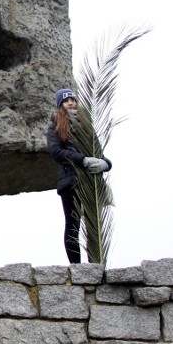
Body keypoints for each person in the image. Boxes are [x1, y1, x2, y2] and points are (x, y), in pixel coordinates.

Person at [46, 88, 111, 264]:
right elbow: (57, 152)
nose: (70, 103)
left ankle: (96, 265)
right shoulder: (55, 127)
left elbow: (98, 152)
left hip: (90, 181)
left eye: (73, 99)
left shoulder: (87, 127)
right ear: (60, 104)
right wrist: (83, 160)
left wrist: (106, 164)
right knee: (73, 224)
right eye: (66, 101)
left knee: (93, 224)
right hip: (69, 182)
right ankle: (76, 267)